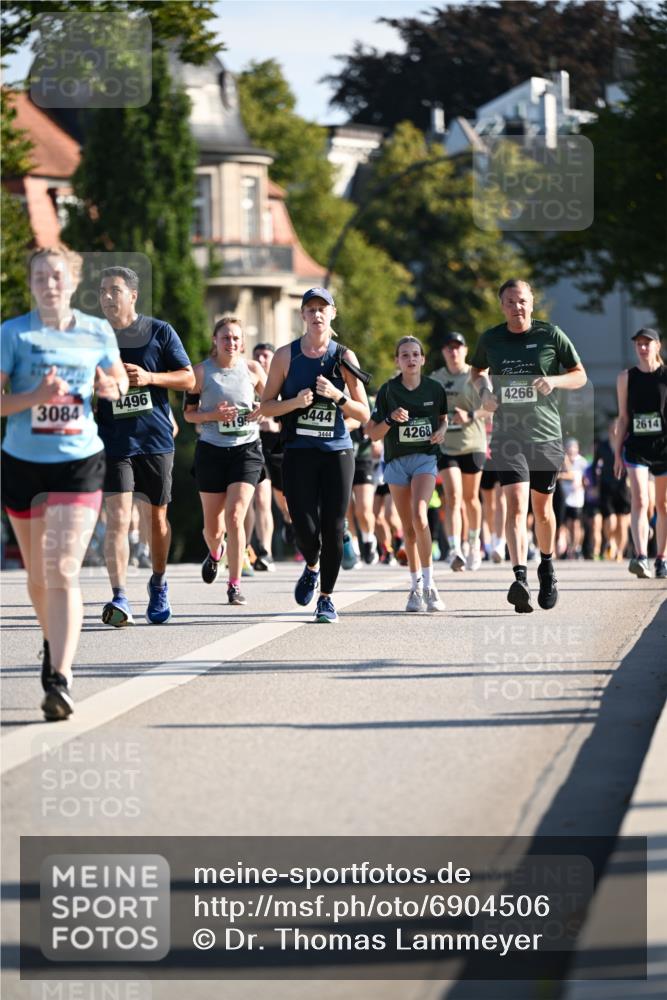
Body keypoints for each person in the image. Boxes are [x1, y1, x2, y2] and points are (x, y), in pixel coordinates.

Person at [1, 246, 127, 720]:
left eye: (57, 276)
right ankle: (53, 639)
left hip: (79, 462)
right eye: (40, 277)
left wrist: (109, 386)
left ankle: (60, 675)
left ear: (71, 282)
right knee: (37, 577)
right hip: (22, 462)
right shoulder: (12, 334)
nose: (49, 284)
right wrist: (35, 396)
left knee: (62, 568)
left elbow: (118, 382)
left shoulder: (96, 332)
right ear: (31, 282)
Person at [470, 279, 587, 612]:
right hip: (509, 436)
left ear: (531, 303)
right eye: (509, 302)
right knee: (516, 504)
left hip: (546, 435)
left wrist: (555, 380)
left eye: (521, 301)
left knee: (543, 511)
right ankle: (519, 577)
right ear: (501, 305)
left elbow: (580, 375)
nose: (516, 307)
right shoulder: (491, 339)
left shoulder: (550, 335)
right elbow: (476, 371)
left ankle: (547, 567)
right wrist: (485, 393)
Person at [261, 287, 370, 623]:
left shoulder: (344, 356)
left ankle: (326, 597)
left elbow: (364, 412)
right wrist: (295, 403)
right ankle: (311, 564)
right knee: (304, 528)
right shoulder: (285, 356)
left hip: (336, 451)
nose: (317, 314)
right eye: (310, 309)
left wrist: (338, 396)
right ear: (302, 316)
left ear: (333, 314)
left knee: (333, 526)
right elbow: (265, 406)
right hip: (298, 452)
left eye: (323, 308)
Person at [96, 267, 195, 626]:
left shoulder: (159, 331)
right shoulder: (95, 336)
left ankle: (158, 582)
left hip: (154, 439)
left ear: (133, 295)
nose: (108, 297)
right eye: (103, 291)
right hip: (113, 440)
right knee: (118, 519)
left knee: (157, 519)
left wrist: (150, 377)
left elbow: (188, 378)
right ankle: (120, 597)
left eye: (116, 290)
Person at [184, 317, 266, 604]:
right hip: (211, 450)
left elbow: (272, 403)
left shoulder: (253, 369)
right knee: (213, 528)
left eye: (235, 338)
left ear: (242, 343)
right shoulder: (201, 373)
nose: (231, 343)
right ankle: (215, 552)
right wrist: (212, 416)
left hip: (246, 449)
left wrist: (261, 409)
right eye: (225, 338)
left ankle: (234, 584)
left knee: (235, 516)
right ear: (215, 341)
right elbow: (188, 414)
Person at [366, 336, 448, 612]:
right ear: (397, 361)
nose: (410, 359)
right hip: (396, 464)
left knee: (420, 515)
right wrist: (390, 419)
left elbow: (443, 419)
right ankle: (414, 587)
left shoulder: (435, 389)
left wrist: (442, 431)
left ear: (423, 359)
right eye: (404, 355)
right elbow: (372, 432)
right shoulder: (389, 391)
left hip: (425, 460)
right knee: (409, 529)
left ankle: (430, 584)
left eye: (415, 354)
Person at [431, 331, 489, 571]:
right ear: (443, 352)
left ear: (465, 350)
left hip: (473, 443)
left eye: (458, 347)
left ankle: (474, 545)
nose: (453, 351)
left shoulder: (475, 375)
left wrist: (471, 415)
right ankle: (455, 549)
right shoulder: (436, 378)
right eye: (448, 347)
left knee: (471, 498)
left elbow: (492, 405)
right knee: (453, 496)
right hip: (447, 445)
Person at [614, 328, 667, 579]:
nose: (643, 348)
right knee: (640, 500)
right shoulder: (626, 377)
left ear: (658, 346)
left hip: (664, 448)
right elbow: (623, 418)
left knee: (663, 504)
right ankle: (641, 556)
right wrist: (616, 453)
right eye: (639, 344)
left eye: (647, 344)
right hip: (636, 448)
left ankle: (662, 558)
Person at [244, 342, 279, 572]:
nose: (261, 360)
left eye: (266, 356)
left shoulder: (280, 383)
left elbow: (288, 415)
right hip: (252, 445)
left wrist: (273, 423)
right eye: (258, 356)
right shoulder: (247, 378)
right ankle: (251, 549)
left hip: (278, 448)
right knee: (255, 498)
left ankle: (272, 544)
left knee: (282, 504)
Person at [596, 420, 630, 560]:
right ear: (610, 429)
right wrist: (592, 483)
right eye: (614, 428)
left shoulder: (626, 445)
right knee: (610, 519)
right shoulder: (602, 445)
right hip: (606, 485)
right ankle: (610, 542)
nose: (616, 430)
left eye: (619, 428)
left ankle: (620, 552)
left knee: (622, 522)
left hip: (623, 487)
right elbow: (594, 466)